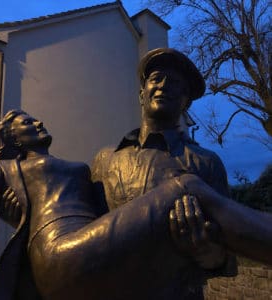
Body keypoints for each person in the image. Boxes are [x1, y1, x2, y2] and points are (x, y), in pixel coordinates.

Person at [0, 109, 216, 300]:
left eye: (35, 119)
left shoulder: (77, 166)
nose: (38, 123)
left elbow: (101, 212)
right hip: (61, 252)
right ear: (13, 139)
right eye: (27, 123)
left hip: (92, 246)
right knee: (186, 187)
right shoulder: (3, 169)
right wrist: (22, 219)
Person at [92, 48, 236, 298]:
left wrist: (206, 251)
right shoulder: (106, 160)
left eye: (175, 83)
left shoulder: (207, 164)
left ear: (185, 102)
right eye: (156, 78)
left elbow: (224, 258)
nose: (164, 86)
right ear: (141, 94)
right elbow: (84, 236)